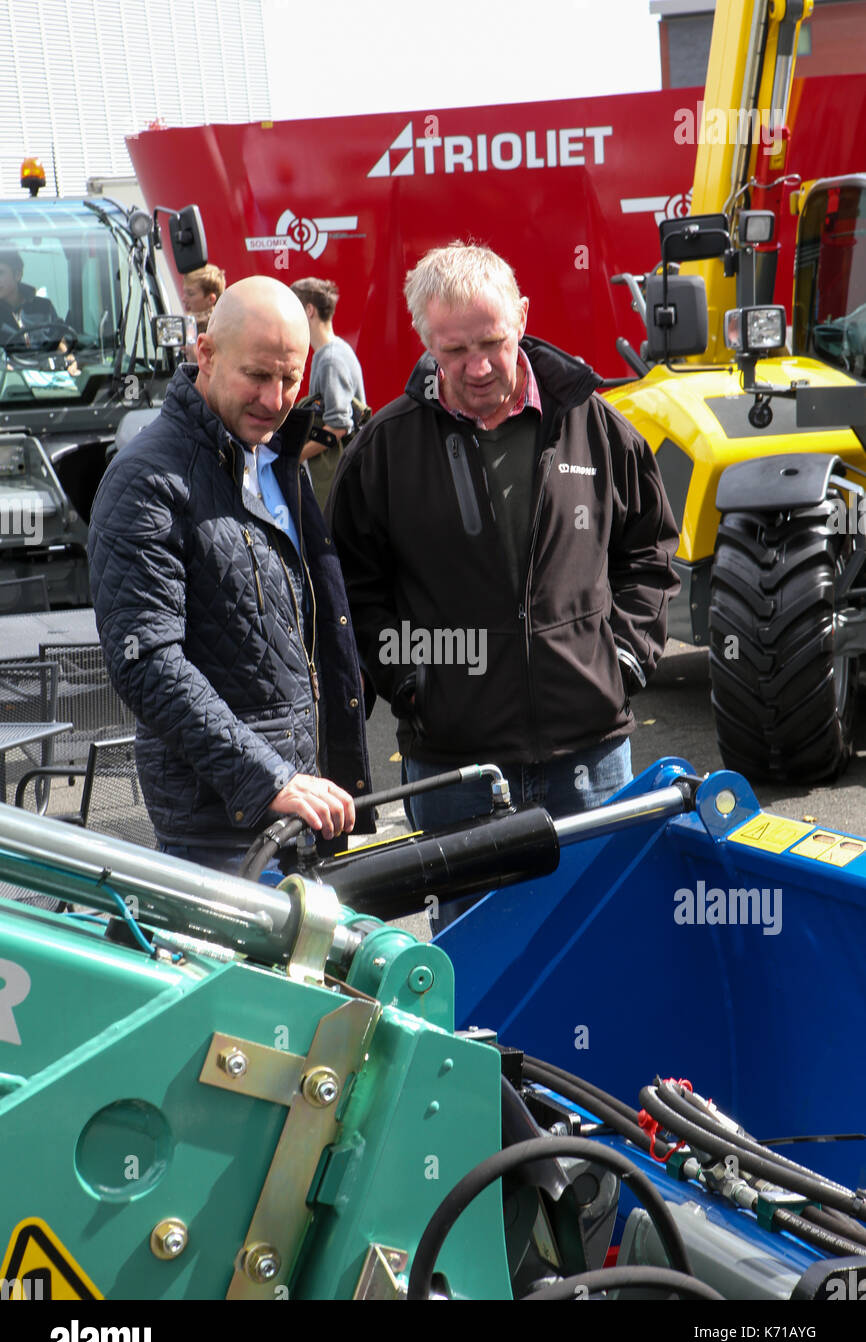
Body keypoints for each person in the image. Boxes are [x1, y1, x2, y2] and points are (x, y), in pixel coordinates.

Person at [328, 241, 680, 925]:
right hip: (454, 768)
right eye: (454, 350)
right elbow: (353, 597)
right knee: (472, 959)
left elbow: (650, 551)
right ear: (425, 340)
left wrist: (624, 657)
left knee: (596, 942)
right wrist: (420, 676)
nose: (480, 366)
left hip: (590, 751)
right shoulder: (385, 449)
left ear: (521, 316)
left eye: (492, 340)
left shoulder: (594, 425)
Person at [88, 276, 372, 880]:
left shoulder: (275, 458)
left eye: (290, 379)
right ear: (206, 355)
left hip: (303, 809)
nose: (274, 399)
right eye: (257, 376)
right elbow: (146, 662)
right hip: (220, 834)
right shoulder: (146, 480)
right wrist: (268, 779)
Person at [290, 277, 367, 509]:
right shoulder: (330, 352)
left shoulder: (331, 359)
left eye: (294, 309)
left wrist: (296, 458)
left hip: (334, 480)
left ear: (309, 311)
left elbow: (339, 426)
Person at [0, 249, 64, 346]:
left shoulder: (44, 307)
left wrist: (67, 354)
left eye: (0, 273)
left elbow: (60, 340)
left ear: (18, 275)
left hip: (44, 360)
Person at [181, 263, 226, 333]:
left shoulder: (218, 330)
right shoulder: (185, 324)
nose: (183, 299)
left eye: (191, 294)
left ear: (211, 299)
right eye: (184, 292)